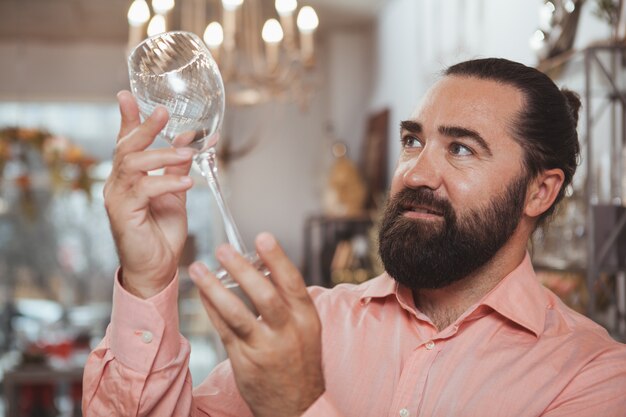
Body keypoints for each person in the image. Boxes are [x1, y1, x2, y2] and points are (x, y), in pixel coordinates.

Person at [82, 58, 626, 417]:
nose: (414, 174)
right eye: (413, 142)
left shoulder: (592, 376)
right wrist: (148, 278)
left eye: (461, 149)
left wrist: (301, 404)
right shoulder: (309, 324)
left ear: (540, 192)